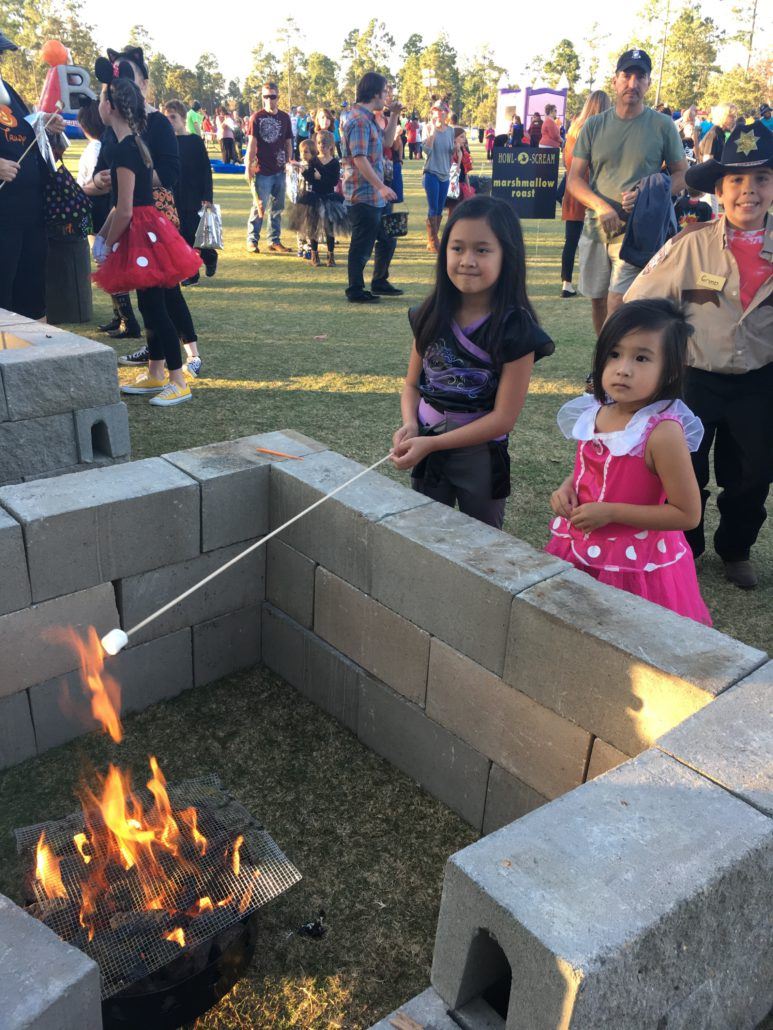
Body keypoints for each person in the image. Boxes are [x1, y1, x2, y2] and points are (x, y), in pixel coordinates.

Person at [625, 121, 773, 590]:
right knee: (682, 465)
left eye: (761, 180)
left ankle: (736, 548)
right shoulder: (688, 246)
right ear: (719, 189)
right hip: (694, 379)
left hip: (760, 381)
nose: (748, 191)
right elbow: (639, 305)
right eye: (736, 181)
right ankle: (685, 546)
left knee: (753, 472)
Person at [390, 195, 554, 529]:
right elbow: (411, 384)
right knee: (424, 535)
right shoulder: (428, 315)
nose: (467, 260)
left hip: (479, 455)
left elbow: (502, 419)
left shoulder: (516, 330)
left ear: (507, 256)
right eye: (457, 248)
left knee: (482, 546)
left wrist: (432, 443)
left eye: (482, 250)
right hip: (425, 443)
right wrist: (410, 424)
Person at [546, 299, 710, 624]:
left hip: (637, 566)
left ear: (672, 369)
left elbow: (687, 513)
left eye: (642, 358)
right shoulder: (596, 411)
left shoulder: (661, 433)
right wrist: (567, 488)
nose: (623, 368)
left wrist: (611, 513)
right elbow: (589, 467)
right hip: (578, 545)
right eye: (615, 354)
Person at [92, 46, 202, 375]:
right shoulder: (128, 142)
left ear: (112, 105)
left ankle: (177, 376)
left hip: (145, 227)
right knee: (150, 305)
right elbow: (120, 198)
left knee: (159, 306)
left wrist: (107, 241)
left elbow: (127, 205)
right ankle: (157, 372)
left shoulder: (134, 143)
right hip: (142, 224)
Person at [567, 48, 687, 337]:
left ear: (648, 83)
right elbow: (574, 180)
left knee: (620, 302)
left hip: (639, 231)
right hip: (597, 228)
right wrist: (600, 206)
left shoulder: (662, 125)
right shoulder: (594, 125)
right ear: (615, 80)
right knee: (598, 300)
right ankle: (603, 363)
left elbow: (683, 174)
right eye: (627, 75)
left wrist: (650, 197)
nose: (632, 83)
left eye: (640, 77)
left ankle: (613, 362)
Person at [0, 30, 67, 320]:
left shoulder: (7, 90)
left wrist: (43, 122)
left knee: (30, 293)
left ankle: (29, 355)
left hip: (29, 212)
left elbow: (22, 127)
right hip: (4, 217)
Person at [341, 71, 401, 303]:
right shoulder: (358, 120)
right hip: (363, 194)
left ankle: (379, 281)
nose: (388, 95)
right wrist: (381, 187)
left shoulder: (369, 118)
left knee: (388, 238)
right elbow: (359, 158)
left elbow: (387, 142)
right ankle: (355, 289)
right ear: (375, 93)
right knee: (362, 244)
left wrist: (394, 115)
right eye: (385, 91)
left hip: (376, 194)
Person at [560, 91, 611, 299]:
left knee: (571, 239)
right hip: (593, 190)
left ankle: (566, 282)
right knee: (596, 240)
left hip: (573, 189)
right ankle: (592, 282)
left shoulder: (573, 129)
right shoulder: (601, 129)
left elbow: (565, 159)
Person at [164, 98, 217, 296]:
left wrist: (207, 196)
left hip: (194, 195)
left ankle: (210, 257)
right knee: (181, 236)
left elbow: (205, 170)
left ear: (183, 118)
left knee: (196, 236)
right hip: (173, 196)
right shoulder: (166, 143)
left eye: (173, 117)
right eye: (166, 118)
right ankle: (191, 273)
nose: (170, 121)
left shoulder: (194, 141)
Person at [245, 81, 293, 254]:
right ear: (262, 97)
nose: (269, 100)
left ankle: (274, 240)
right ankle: (252, 240)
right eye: (266, 96)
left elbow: (289, 141)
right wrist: (248, 165)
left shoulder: (285, 117)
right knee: (259, 206)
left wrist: (290, 162)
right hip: (262, 170)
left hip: (280, 170)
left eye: (272, 96)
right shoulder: (256, 118)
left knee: (277, 208)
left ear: (277, 97)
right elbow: (252, 143)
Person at [289, 129, 348, 267]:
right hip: (313, 197)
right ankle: (314, 255)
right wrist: (306, 173)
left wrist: (320, 176)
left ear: (331, 146)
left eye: (325, 143)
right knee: (313, 227)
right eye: (320, 143)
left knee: (329, 228)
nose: (322, 146)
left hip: (329, 198)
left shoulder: (334, 162)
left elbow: (333, 181)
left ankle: (330, 255)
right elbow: (311, 179)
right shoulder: (313, 161)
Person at [423, 99, 459, 253]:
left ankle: (434, 239)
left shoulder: (451, 131)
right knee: (433, 207)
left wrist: (456, 148)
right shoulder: (428, 128)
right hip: (431, 172)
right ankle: (433, 242)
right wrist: (432, 135)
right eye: (435, 110)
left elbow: (450, 152)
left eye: (441, 110)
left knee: (439, 208)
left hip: (445, 174)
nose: (438, 113)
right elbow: (427, 152)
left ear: (446, 113)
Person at [77, 98, 111, 238]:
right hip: (101, 211)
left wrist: (77, 190)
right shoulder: (102, 146)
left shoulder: (96, 148)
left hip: (98, 211)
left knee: (99, 251)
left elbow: (102, 184)